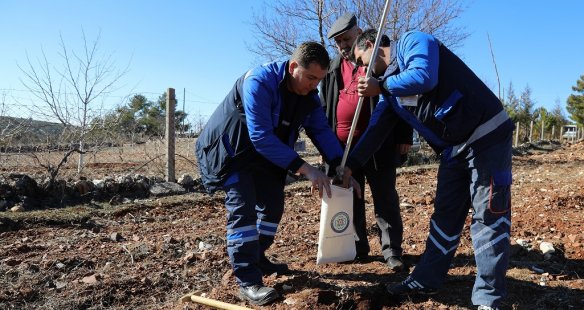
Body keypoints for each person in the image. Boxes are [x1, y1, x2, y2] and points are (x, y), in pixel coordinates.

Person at [340, 29, 514, 310]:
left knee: (489, 215)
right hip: (453, 149)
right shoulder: (390, 93)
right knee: (444, 216)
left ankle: (488, 299)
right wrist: (350, 165)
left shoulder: (413, 42)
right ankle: (426, 279)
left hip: (486, 135)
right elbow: (375, 131)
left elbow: (424, 76)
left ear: (371, 45)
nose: (361, 71)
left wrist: (381, 86)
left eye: (362, 62)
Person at [195, 42, 360, 306]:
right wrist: (306, 168)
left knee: (272, 206)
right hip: (230, 153)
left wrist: (341, 165)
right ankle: (248, 280)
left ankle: (257, 257)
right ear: (294, 67)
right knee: (243, 210)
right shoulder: (259, 81)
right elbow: (260, 136)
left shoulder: (308, 97)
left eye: (319, 79)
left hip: (265, 156)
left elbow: (320, 130)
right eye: (310, 78)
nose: (314, 86)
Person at [320, 13, 412, 271]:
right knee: (349, 198)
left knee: (385, 197)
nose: (343, 46)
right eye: (338, 42)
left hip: (378, 144)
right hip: (341, 149)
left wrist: (404, 135)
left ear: (359, 33)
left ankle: (392, 251)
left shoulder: (377, 59)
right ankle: (357, 249)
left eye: (347, 39)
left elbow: (399, 93)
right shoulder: (332, 69)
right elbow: (326, 106)